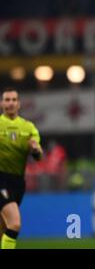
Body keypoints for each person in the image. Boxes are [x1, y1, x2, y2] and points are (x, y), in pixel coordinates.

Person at [0, 88, 43, 249]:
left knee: (3, 229)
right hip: (1, 178)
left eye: (13, 100)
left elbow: (39, 157)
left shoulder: (28, 127)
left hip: (17, 182)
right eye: (7, 99)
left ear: (19, 104)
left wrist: (35, 149)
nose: (10, 103)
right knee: (14, 223)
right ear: (1, 103)